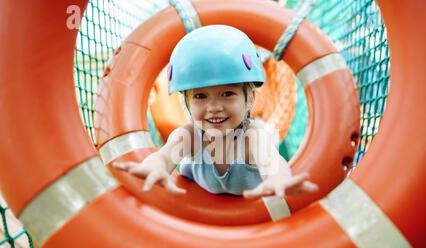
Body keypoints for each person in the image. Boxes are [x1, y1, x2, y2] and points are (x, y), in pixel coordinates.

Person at [114, 25, 318, 199]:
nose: (214, 107)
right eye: (200, 96)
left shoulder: (252, 138)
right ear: (187, 102)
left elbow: (271, 161)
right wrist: (155, 168)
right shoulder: (189, 137)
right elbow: (164, 157)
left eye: (227, 93)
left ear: (249, 99)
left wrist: (278, 180)